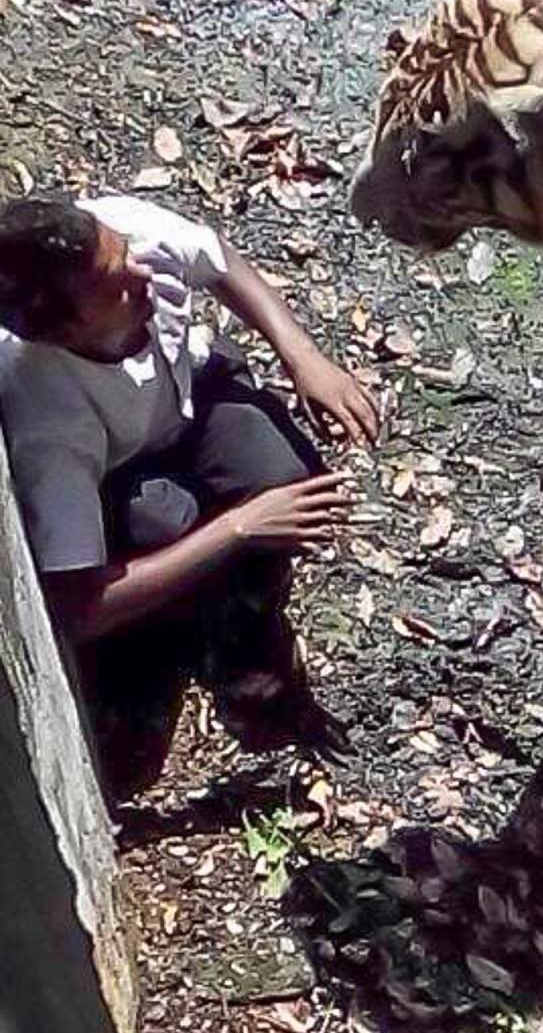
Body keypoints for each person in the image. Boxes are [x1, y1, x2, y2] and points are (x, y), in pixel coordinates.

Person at [0, 191, 379, 792]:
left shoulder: (126, 237)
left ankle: (244, 624)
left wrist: (304, 357)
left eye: (123, 253)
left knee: (285, 474)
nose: (142, 270)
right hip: (121, 474)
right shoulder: (48, 416)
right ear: (62, 331)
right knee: (165, 527)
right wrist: (240, 526)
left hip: (190, 396)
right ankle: (177, 647)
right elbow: (77, 608)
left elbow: (218, 260)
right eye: (114, 284)